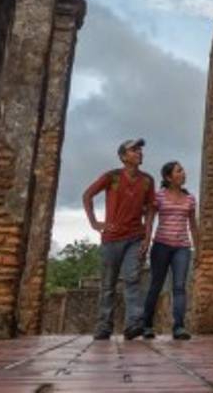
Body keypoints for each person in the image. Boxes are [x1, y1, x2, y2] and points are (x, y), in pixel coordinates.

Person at [83, 138, 156, 341]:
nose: (139, 153)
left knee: (132, 279)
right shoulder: (112, 177)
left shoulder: (147, 180)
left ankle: (134, 323)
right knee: (108, 284)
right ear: (123, 156)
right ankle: (104, 326)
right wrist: (95, 223)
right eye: (133, 150)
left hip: (135, 237)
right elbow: (87, 195)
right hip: (111, 238)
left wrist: (147, 238)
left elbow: (150, 211)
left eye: (140, 150)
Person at [140, 160, 199, 341]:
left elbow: (193, 225)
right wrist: (146, 240)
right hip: (161, 246)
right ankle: (147, 325)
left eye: (182, 170)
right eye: (179, 171)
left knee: (179, 287)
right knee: (156, 286)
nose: (183, 173)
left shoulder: (190, 199)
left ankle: (179, 327)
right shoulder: (159, 196)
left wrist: (199, 249)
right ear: (168, 177)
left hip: (182, 247)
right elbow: (149, 220)